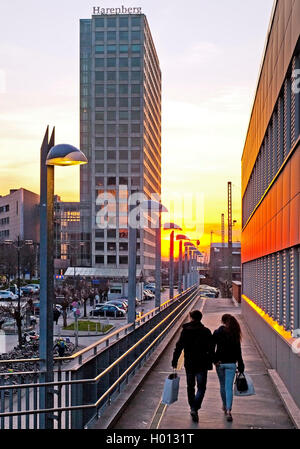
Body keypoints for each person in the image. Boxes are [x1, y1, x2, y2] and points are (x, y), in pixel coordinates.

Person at [171, 310, 213, 423]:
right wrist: (211, 361)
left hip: (189, 363)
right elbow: (211, 349)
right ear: (200, 318)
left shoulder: (186, 331)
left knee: (190, 386)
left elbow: (179, 346)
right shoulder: (206, 331)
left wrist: (175, 360)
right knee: (201, 387)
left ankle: (192, 407)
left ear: (191, 318)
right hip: (202, 363)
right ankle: (195, 407)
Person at [213, 314, 245, 422]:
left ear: (222, 321)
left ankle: (224, 404)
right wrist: (241, 364)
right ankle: (229, 410)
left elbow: (212, 348)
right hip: (231, 363)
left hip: (220, 363)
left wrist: (214, 361)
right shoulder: (235, 333)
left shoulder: (217, 332)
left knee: (222, 386)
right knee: (228, 387)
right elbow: (238, 351)